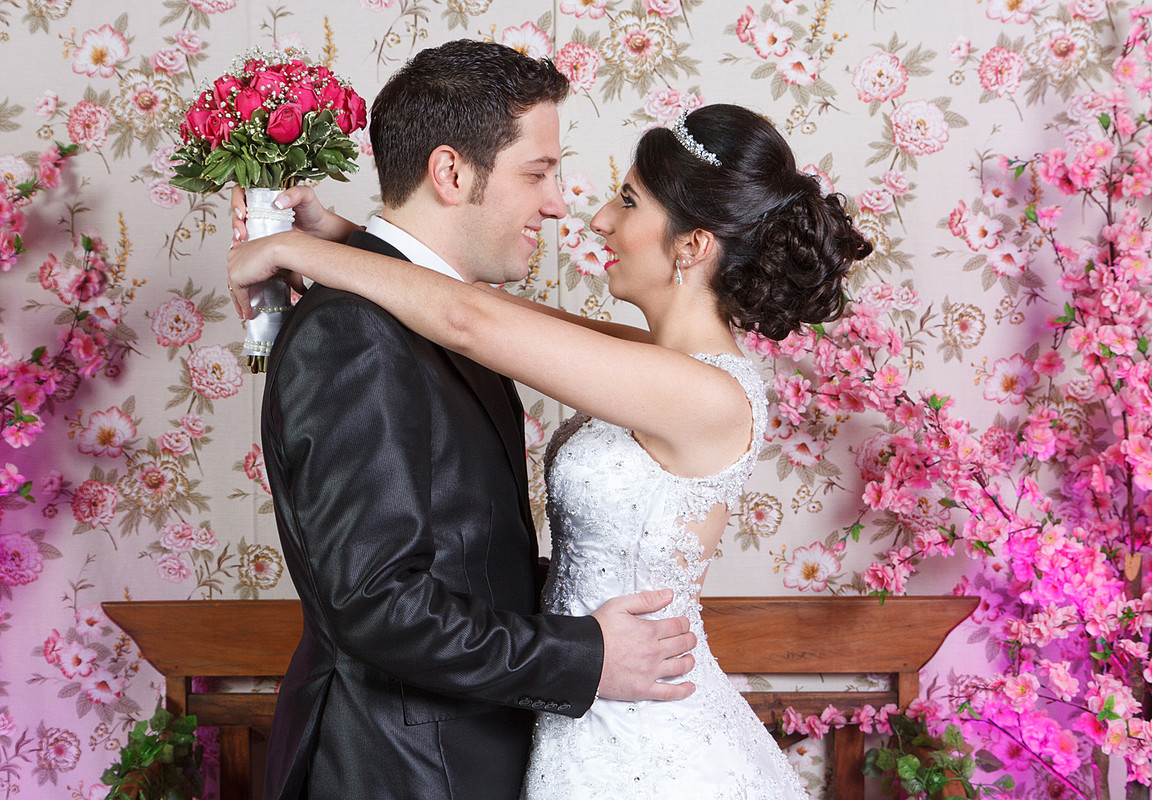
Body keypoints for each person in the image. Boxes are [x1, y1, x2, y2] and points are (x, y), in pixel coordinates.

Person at [230, 102, 871, 799]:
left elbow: (469, 321)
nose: (597, 219)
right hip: (570, 695)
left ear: (692, 246)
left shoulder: (708, 395)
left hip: (638, 729)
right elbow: (501, 315)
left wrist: (291, 250)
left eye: (628, 201)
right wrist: (350, 236)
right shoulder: (656, 361)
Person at [239, 40, 700, 800]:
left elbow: (468, 556)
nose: (558, 204)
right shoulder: (354, 332)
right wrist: (584, 658)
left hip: (470, 749)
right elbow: (378, 602)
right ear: (451, 172)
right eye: (538, 173)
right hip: (407, 768)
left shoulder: (448, 314)